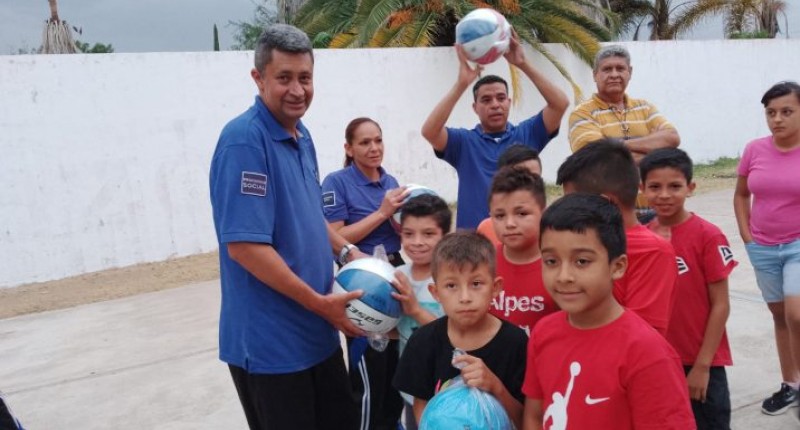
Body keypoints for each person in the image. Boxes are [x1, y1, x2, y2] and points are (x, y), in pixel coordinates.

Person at [209, 24, 362, 430]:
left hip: (318, 334)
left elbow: (308, 214)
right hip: (271, 349)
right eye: (284, 78)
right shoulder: (244, 141)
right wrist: (320, 303)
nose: (297, 90)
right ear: (258, 78)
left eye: (305, 78)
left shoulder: (301, 135)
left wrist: (347, 251)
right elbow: (245, 247)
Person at [521, 193, 695, 430]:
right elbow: (534, 416)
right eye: (551, 261)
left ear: (618, 267)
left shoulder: (648, 354)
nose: (564, 277)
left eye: (582, 261)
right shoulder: (543, 333)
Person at [421, 32, 569, 230]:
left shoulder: (527, 134)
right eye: (486, 100)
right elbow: (429, 131)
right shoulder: (463, 142)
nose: (495, 104)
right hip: (474, 240)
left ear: (509, 102)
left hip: (518, 234)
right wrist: (461, 85)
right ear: (475, 108)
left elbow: (560, 104)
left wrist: (523, 63)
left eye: (501, 98)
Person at [320, 117, 409, 429]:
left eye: (378, 140)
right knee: (370, 376)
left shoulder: (390, 181)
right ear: (349, 148)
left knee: (397, 371)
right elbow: (334, 237)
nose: (374, 148)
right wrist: (383, 212)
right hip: (362, 285)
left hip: (395, 275)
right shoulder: (337, 182)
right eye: (365, 142)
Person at [641, 148, 736, 429]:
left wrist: (702, 366)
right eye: (655, 187)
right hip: (657, 360)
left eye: (675, 186)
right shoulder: (642, 236)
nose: (664, 195)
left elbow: (721, 304)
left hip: (701, 361)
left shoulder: (708, 236)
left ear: (690, 188)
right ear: (641, 189)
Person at [393, 232, 528, 428]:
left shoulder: (516, 342)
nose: (465, 297)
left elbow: (526, 419)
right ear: (436, 292)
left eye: (476, 284)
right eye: (451, 286)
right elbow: (422, 412)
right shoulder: (423, 341)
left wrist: (496, 386)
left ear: (495, 287)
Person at [556, 139, 677, 335]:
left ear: (605, 203)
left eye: (573, 202)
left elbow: (641, 335)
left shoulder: (652, 251)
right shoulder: (575, 242)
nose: (566, 210)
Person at [734, 81, 800, 417]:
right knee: (779, 316)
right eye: (771, 112)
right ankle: (790, 384)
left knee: (796, 314)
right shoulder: (754, 150)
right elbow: (742, 194)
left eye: (787, 111)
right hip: (762, 247)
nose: (777, 119)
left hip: (798, 246)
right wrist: (747, 236)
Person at [568, 45, 680, 223]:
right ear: (595, 75)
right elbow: (596, 157)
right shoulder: (582, 113)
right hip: (608, 218)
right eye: (607, 69)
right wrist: (654, 153)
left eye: (620, 68)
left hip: (654, 214)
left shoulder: (644, 108)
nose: (614, 74)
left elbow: (672, 138)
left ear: (630, 72)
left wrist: (617, 146)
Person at [390, 194, 452, 430]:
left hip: (447, 388)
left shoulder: (451, 279)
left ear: (445, 235)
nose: (417, 242)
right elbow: (399, 330)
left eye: (428, 234)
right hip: (413, 387)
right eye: (408, 234)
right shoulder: (398, 276)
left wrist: (415, 310)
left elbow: (453, 334)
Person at [487, 167, 556, 335]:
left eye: (522, 213)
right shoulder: (483, 262)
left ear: (543, 213)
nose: (510, 224)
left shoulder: (560, 265)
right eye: (500, 216)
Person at [476, 145, 542, 245]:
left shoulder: (554, 226)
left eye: (535, 178)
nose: (528, 184)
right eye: (518, 178)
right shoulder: (486, 230)